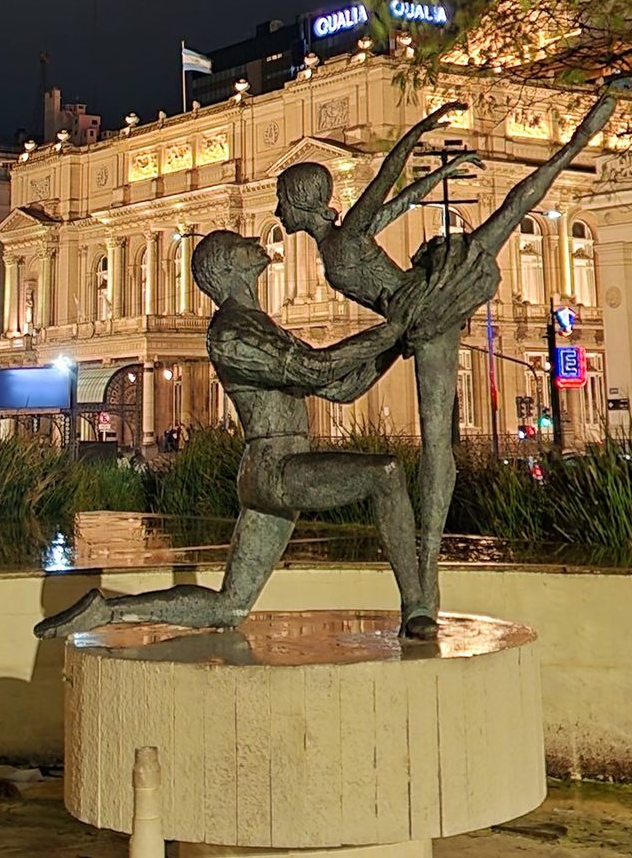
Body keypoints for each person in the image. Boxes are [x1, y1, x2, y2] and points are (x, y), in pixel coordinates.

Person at [276, 78, 632, 629]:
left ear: (303, 203)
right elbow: (398, 196)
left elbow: (389, 175)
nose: (277, 211)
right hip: (407, 324)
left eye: (282, 200)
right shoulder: (343, 237)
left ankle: (427, 577)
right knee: (381, 408)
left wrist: (422, 130)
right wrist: (437, 171)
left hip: (426, 302)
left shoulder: (343, 237)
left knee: (524, 197)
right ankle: (424, 579)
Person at [35, 229, 430, 640]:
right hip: (276, 468)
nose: (253, 242)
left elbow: (339, 389)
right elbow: (318, 369)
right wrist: (394, 328)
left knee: (231, 605)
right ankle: (416, 605)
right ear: (227, 266)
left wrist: (395, 344)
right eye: (240, 243)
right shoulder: (231, 331)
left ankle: (107, 611)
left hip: (273, 470)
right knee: (385, 474)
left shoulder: (260, 324)